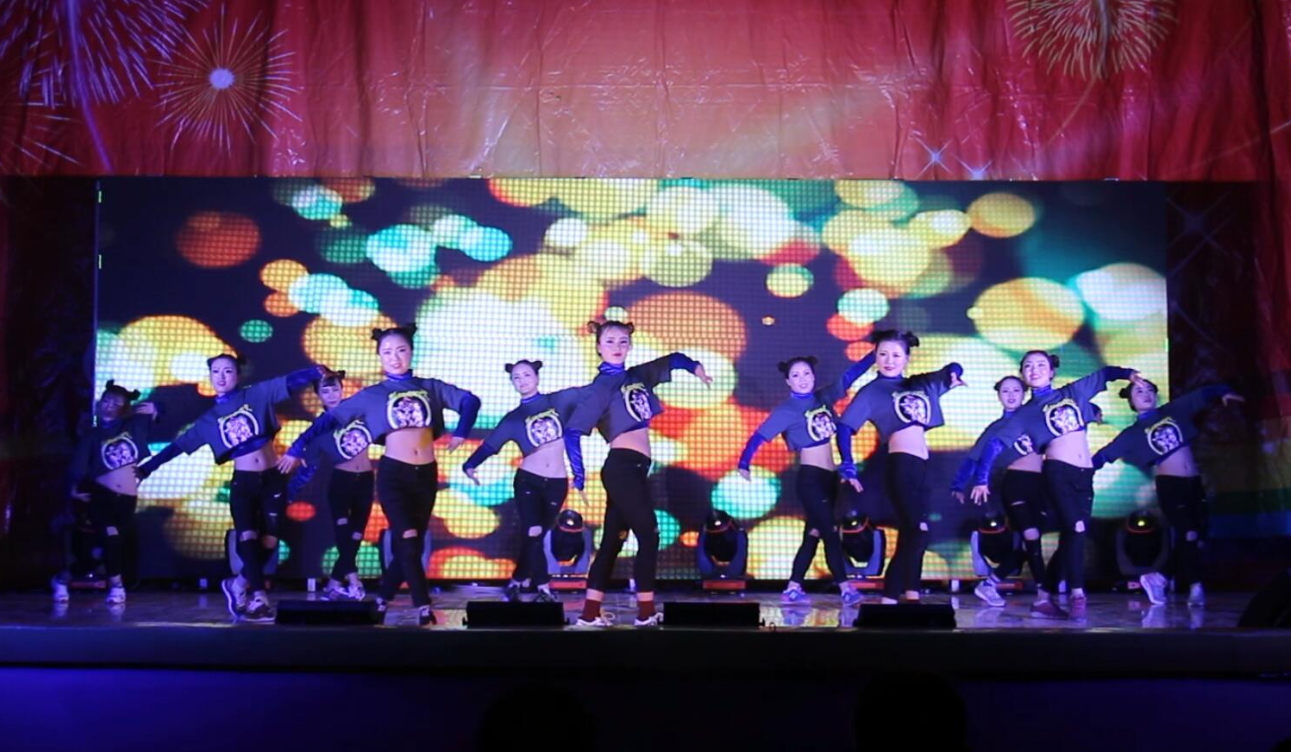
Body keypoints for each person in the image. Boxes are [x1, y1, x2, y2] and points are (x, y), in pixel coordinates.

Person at [280, 324, 480, 627]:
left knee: (410, 546)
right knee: (408, 540)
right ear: (379, 356)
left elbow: (470, 401)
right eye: (387, 352)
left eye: (401, 350)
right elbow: (327, 421)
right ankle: (423, 607)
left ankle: (382, 600)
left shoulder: (431, 387)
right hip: (394, 475)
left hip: (426, 476)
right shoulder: (372, 395)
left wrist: (461, 432)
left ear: (411, 352)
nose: (394, 357)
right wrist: (296, 449)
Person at [138, 355, 327, 622]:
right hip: (244, 483)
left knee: (269, 543)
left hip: (272, 479)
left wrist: (315, 372)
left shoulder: (256, 394)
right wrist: (146, 468)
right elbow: (177, 447)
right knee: (248, 537)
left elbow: (287, 382)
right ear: (210, 377)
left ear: (237, 375)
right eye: (216, 371)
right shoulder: (209, 420)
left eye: (228, 371)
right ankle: (259, 598)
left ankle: (237, 584)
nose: (222, 376)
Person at [970, 351, 1144, 620]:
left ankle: (1045, 597)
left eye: (1041, 365)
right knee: (1074, 528)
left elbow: (1105, 374)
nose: (1035, 369)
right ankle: (1077, 594)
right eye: (1028, 366)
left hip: (1084, 474)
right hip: (1057, 471)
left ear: (1052, 371)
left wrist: (1127, 374)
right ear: (1023, 375)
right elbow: (995, 445)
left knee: (1076, 534)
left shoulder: (1072, 393)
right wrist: (981, 478)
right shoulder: (1025, 413)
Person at [563, 320, 710, 627]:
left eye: (623, 341)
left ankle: (589, 615)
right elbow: (573, 431)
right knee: (649, 534)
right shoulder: (601, 387)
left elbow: (673, 359)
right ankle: (645, 612)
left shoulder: (638, 376)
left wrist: (695, 368)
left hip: (637, 469)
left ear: (629, 345)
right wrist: (578, 475)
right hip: (622, 468)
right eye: (610, 341)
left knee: (613, 543)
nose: (617, 347)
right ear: (598, 347)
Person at [836, 330, 964, 605]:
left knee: (912, 532)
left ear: (906, 358)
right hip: (900, 464)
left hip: (923, 468)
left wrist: (955, 373)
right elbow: (845, 427)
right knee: (918, 531)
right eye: (882, 354)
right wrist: (848, 465)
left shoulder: (919, 384)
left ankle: (911, 595)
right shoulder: (872, 391)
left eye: (896, 355)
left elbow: (950, 369)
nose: (889, 360)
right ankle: (890, 597)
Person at [737, 351, 875, 605]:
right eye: (796, 375)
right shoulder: (787, 410)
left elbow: (849, 377)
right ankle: (846, 588)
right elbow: (759, 437)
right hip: (811, 479)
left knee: (813, 533)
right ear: (788, 381)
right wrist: (744, 463)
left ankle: (793, 586)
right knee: (830, 532)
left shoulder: (823, 397)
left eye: (806, 373)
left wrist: (874, 355)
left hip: (831, 479)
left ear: (813, 375)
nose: (802, 379)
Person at [1093, 379, 1243, 606]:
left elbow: (1204, 392)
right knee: (1188, 534)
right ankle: (1196, 587)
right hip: (1171, 486)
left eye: (1149, 390)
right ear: (1131, 401)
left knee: (1197, 537)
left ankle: (1159, 577)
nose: (1146, 394)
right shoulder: (1133, 433)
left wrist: (1224, 391)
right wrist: (1073, 470)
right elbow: (1104, 455)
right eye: (1139, 391)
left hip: (1193, 483)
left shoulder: (1173, 411)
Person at [462, 360, 583, 603]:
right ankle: (544, 587)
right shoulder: (513, 419)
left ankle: (517, 580)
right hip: (529, 481)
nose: (522, 380)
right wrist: (470, 464)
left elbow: (589, 393)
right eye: (516, 377)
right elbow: (490, 445)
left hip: (557, 483)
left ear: (536, 377)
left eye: (526, 375)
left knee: (535, 537)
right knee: (533, 531)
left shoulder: (557, 401)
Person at [950, 375, 1047, 607]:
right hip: (1015, 485)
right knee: (1031, 538)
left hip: (1040, 486)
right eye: (1005, 391)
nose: (1011, 395)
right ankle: (1044, 597)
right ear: (998, 396)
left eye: (1016, 390)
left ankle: (990, 584)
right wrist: (959, 484)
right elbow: (975, 456)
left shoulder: (1036, 418)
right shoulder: (997, 428)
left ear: (1024, 393)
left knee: (1029, 545)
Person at [58, 381, 159, 605]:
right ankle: (116, 587)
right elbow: (78, 467)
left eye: (116, 402)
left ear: (124, 407)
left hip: (127, 500)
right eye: (106, 400)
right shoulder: (92, 436)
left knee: (105, 549)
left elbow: (156, 412)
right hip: (101, 496)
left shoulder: (132, 426)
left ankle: (62, 579)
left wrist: (155, 410)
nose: (109, 405)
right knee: (111, 538)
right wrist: (73, 490)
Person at [286, 370, 373, 601]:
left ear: (342, 390)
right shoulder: (320, 428)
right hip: (341, 482)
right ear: (319, 395)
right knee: (344, 535)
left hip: (365, 480)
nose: (332, 394)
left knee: (356, 536)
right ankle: (354, 582)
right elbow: (309, 466)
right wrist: (289, 493)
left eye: (335, 389)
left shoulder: (356, 411)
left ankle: (334, 583)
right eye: (326, 391)